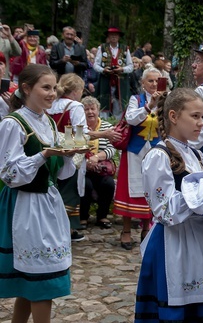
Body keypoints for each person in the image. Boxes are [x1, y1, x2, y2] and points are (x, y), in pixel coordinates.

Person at [135, 88, 203, 322]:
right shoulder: (159, 156)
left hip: (202, 242)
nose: (201, 123)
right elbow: (164, 211)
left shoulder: (197, 156)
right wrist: (200, 193)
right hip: (175, 244)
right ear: (173, 116)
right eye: (195, 116)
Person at [0, 64, 86, 323]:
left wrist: (70, 155)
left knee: (33, 280)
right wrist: (43, 154)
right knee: (41, 282)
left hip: (48, 203)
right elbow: (9, 174)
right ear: (26, 88)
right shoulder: (12, 124)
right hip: (25, 205)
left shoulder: (47, 121)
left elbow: (60, 175)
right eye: (46, 87)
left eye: (54, 88)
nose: (52, 93)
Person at [113, 68, 161, 250]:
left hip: (156, 150)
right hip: (135, 150)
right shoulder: (136, 100)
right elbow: (131, 118)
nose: (154, 84)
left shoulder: (166, 100)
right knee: (131, 189)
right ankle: (126, 230)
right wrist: (149, 106)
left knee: (152, 187)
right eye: (150, 81)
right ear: (143, 83)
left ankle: (147, 228)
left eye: (157, 81)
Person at [47, 73, 88, 241]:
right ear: (76, 90)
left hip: (51, 149)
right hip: (70, 151)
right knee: (69, 191)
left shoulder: (52, 104)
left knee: (55, 187)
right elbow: (81, 131)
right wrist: (81, 147)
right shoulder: (75, 106)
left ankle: (59, 228)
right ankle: (63, 230)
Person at [79, 96, 121, 229]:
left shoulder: (107, 127)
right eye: (86, 109)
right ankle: (83, 217)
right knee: (86, 185)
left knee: (108, 184)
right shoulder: (79, 126)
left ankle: (102, 216)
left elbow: (111, 148)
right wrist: (87, 161)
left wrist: (96, 157)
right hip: (83, 167)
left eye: (93, 109)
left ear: (98, 110)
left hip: (102, 167)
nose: (90, 112)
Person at [93, 27, 133, 119]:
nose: (114, 37)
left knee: (119, 104)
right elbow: (95, 65)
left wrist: (122, 69)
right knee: (104, 102)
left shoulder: (125, 49)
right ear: (108, 37)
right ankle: (104, 124)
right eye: (111, 35)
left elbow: (130, 66)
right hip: (106, 80)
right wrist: (103, 70)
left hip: (120, 82)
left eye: (115, 35)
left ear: (119, 37)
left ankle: (118, 125)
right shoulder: (102, 48)